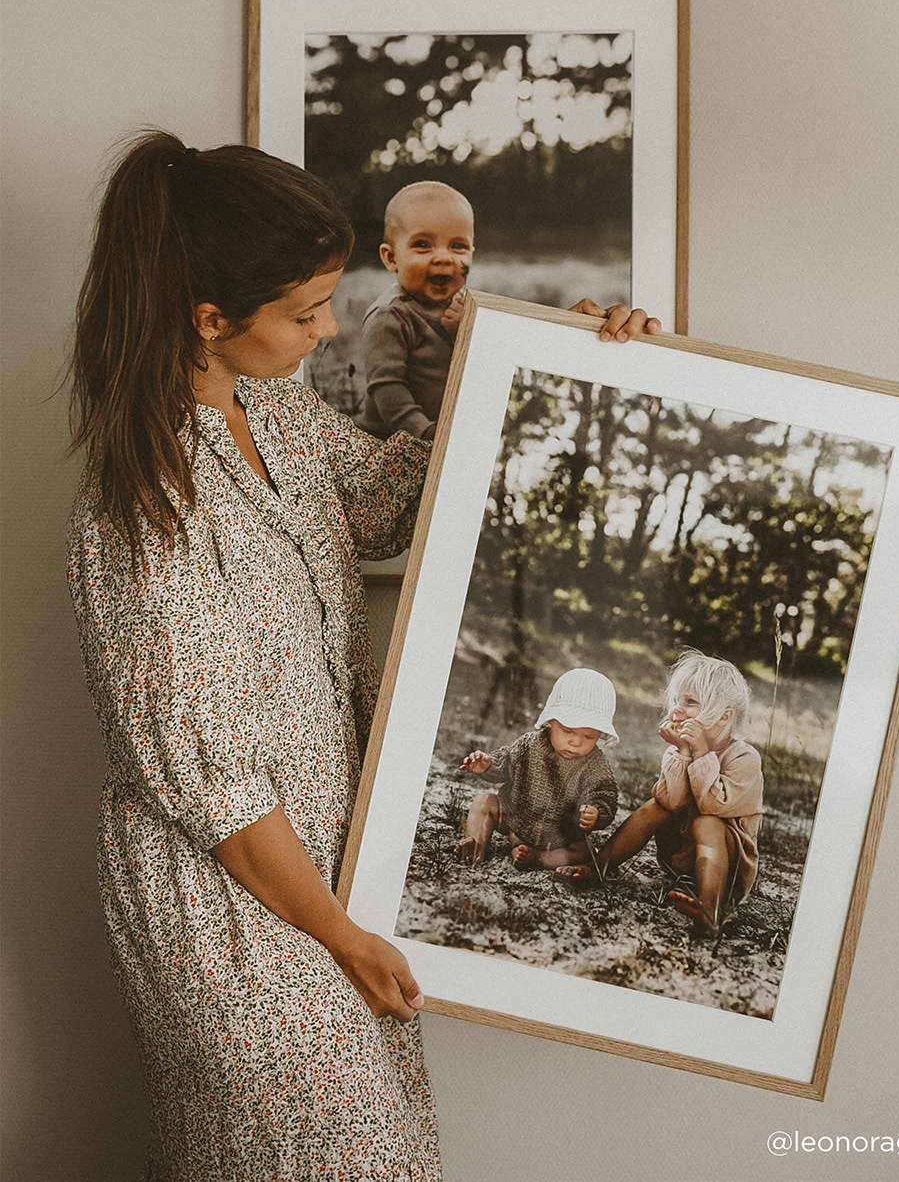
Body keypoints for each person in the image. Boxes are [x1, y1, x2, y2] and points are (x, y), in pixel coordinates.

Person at [65, 129, 661, 1180]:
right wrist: (341, 933)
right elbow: (222, 796)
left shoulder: (277, 407)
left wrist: (539, 359)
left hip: (333, 873)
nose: (327, 330)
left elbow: (385, 507)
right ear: (209, 321)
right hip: (237, 901)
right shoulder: (144, 513)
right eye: (302, 312)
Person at [557, 650, 764, 938]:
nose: (678, 709)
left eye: (690, 702)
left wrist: (702, 753)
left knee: (707, 822)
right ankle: (597, 867)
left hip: (726, 873)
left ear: (724, 715)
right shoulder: (680, 749)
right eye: (677, 700)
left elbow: (712, 805)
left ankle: (711, 912)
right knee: (655, 807)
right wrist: (682, 752)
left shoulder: (745, 759)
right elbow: (671, 801)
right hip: (680, 857)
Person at [457, 669, 620, 870]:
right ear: (551, 722)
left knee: (584, 850)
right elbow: (505, 764)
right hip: (513, 817)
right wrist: (487, 765)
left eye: (589, 737)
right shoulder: (529, 744)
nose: (576, 742)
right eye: (568, 730)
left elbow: (606, 796)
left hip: (560, 835)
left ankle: (537, 856)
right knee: (484, 801)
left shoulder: (595, 764)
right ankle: (475, 846)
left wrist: (596, 813)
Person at [357, 180, 473, 440]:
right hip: (393, 443)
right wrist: (426, 432)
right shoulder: (391, 315)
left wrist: (464, 333)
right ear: (391, 258)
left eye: (458, 246)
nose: (444, 257)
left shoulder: (467, 308)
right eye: (423, 245)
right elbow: (388, 388)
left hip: (445, 440)